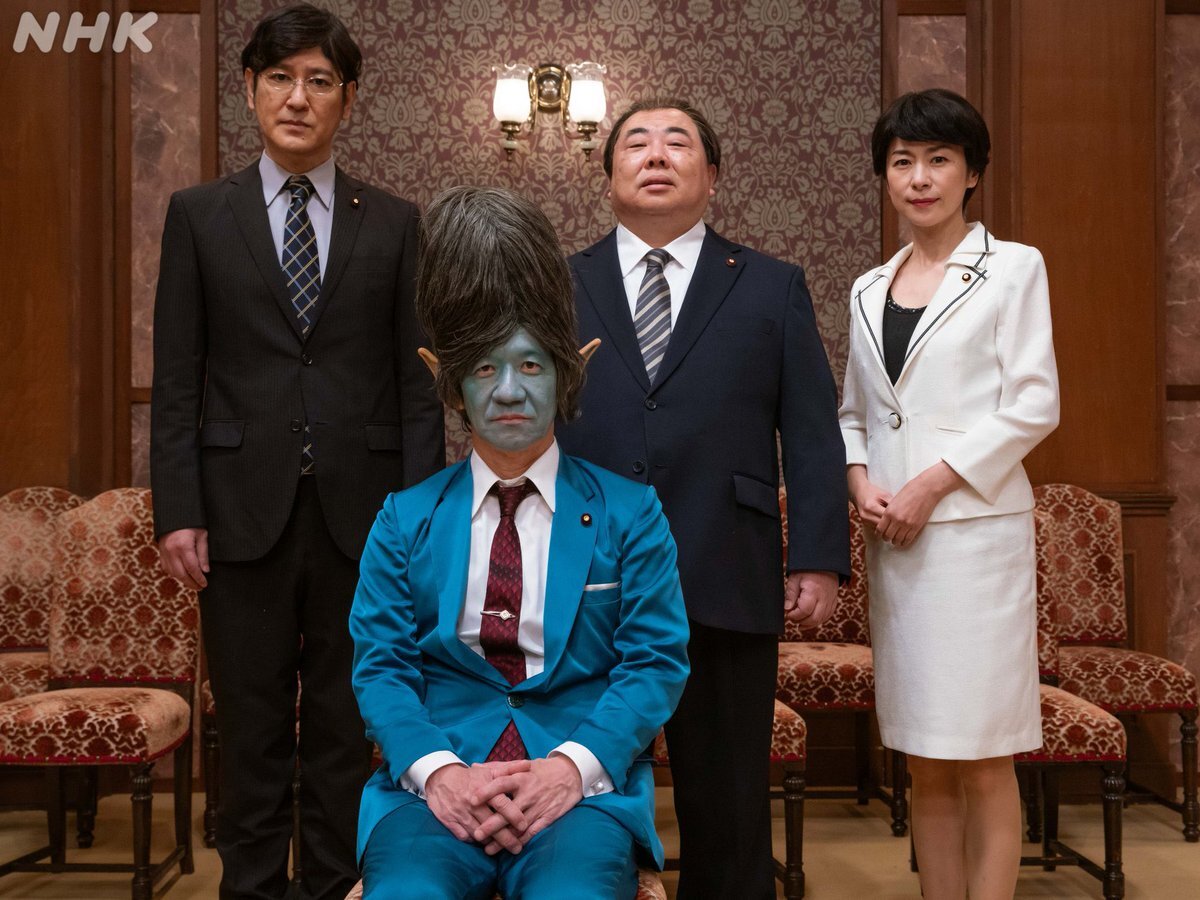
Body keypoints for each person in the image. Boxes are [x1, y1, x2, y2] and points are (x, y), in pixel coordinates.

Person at [149, 4, 445, 897]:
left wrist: (421, 517)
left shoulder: (394, 222)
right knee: (250, 726)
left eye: (319, 81)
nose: (297, 97)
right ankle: (249, 887)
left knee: (349, 724)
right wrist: (178, 511)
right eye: (279, 77)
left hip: (367, 518)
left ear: (348, 100)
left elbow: (418, 384)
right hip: (238, 512)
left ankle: (332, 884)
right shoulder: (199, 215)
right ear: (249, 90)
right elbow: (176, 378)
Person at [349, 186, 690, 899]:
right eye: (484, 368)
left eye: (532, 365)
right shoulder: (402, 520)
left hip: (579, 795)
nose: (508, 390)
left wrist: (569, 768)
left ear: (568, 374)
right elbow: (380, 669)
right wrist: (440, 773)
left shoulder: (631, 514)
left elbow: (655, 663)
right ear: (450, 386)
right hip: (434, 794)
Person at [557, 98, 850, 898]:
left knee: (728, 806)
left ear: (712, 176)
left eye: (677, 142)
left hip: (726, 568)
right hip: (582, 576)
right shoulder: (558, 282)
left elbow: (813, 432)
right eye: (636, 143)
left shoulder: (770, 285)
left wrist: (818, 557)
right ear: (608, 176)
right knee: (582, 797)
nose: (656, 155)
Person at [840, 88, 1060, 899]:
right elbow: (854, 414)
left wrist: (932, 483)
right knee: (924, 755)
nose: (919, 177)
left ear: (972, 173)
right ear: (885, 176)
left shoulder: (1013, 267)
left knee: (984, 753)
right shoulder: (868, 288)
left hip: (973, 541)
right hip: (896, 547)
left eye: (939, 160)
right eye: (902, 162)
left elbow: (1034, 403)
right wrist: (860, 481)